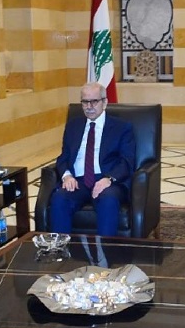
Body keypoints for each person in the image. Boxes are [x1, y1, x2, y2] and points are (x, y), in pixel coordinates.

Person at [49, 82, 136, 236]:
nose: (89, 106)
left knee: (108, 200)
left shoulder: (122, 127)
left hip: (106, 180)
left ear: (105, 102)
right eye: (85, 102)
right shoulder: (73, 126)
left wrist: (109, 179)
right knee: (59, 198)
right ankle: (61, 248)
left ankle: (105, 250)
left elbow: (127, 161)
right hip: (78, 181)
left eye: (94, 101)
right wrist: (67, 175)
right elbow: (64, 157)